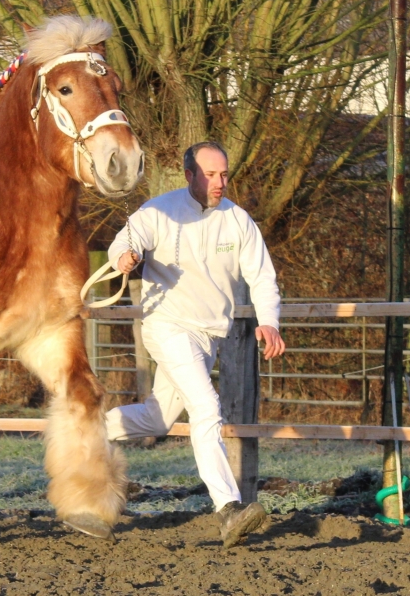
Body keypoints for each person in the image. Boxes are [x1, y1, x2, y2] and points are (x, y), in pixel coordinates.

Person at [106, 141, 286, 547]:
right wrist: (124, 258)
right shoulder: (158, 211)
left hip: (208, 335)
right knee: (206, 406)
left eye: (224, 174)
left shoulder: (238, 221)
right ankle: (229, 508)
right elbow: (122, 242)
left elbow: (261, 277)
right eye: (210, 174)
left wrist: (270, 322)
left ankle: (90, 431)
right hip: (167, 326)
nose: (220, 182)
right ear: (189, 175)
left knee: (157, 419)